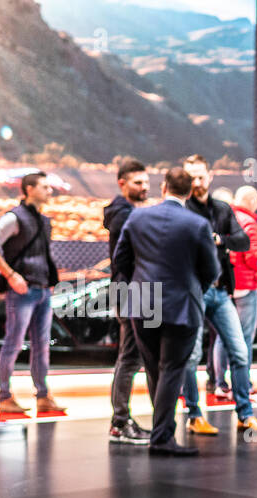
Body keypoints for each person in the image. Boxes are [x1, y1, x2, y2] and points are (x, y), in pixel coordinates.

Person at [113, 168, 220, 456]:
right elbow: (211, 270)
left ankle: (161, 434)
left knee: (152, 369)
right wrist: (193, 286)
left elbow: (120, 259)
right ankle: (161, 437)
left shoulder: (137, 217)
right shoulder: (196, 224)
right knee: (172, 369)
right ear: (188, 192)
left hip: (143, 302)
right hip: (181, 304)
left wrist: (141, 282)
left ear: (163, 187)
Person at [178, 155, 257, 436]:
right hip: (193, 292)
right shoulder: (182, 211)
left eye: (201, 176)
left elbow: (243, 241)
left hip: (220, 292)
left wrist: (219, 239)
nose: (197, 181)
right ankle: (194, 415)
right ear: (185, 179)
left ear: (209, 176)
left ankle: (245, 415)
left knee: (240, 352)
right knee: (192, 356)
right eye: (191, 177)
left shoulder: (221, 209)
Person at [0, 172, 66, 418]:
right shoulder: (14, 218)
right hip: (23, 291)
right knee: (14, 344)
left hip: (41, 289)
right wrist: (11, 275)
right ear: (28, 189)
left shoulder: (43, 220)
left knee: (42, 346)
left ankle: (42, 396)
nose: (50, 191)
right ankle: (5, 396)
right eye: (44, 187)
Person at [102, 159, 153, 445]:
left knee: (134, 358)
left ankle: (122, 421)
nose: (144, 187)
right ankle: (120, 422)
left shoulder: (128, 213)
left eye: (146, 182)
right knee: (130, 358)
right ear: (122, 184)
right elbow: (128, 257)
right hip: (131, 292)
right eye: (138, 183)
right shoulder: (123, 215)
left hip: (139, 291)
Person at [215, 185, 257, 408]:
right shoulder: (248, 221)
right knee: (244, 339)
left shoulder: (227, 217)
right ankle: (243, 386)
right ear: (253, 202)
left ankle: (221, 384)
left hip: (229, 283)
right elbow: (252, 257)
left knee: (222, 336)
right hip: (246, 286)